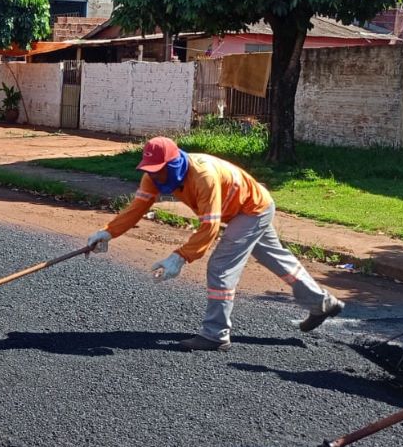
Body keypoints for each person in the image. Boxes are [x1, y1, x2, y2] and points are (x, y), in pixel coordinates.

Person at [86, 136, 343, 351]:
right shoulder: (153, 176)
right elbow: (137, 208)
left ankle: (215, 335)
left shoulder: (203, 175)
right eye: (152, 169)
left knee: (220, 267)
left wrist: (181, 256)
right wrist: (107, 232)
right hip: (242, 210)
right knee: (274, 258)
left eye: (162, 168)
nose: (158, 175)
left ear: (175, 161)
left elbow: (209, 226)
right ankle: (322, 303)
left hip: (252, 210)